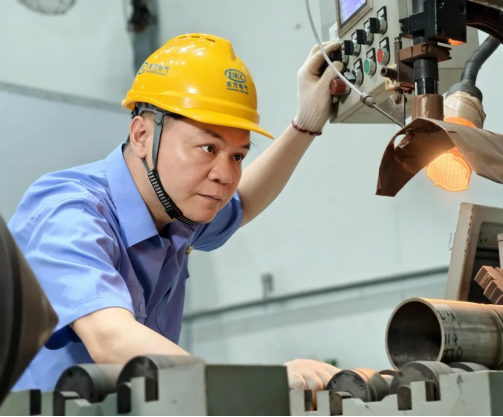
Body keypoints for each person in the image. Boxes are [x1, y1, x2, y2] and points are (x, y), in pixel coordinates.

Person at [9, 33, 344, 393]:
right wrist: (260, 385)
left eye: (238, 156)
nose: (225, 175)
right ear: (141, 135)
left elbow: (242, 201)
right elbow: (110, 339)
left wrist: (307, 122)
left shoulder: (176, 215)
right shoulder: (69, 213)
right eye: (208, 148)